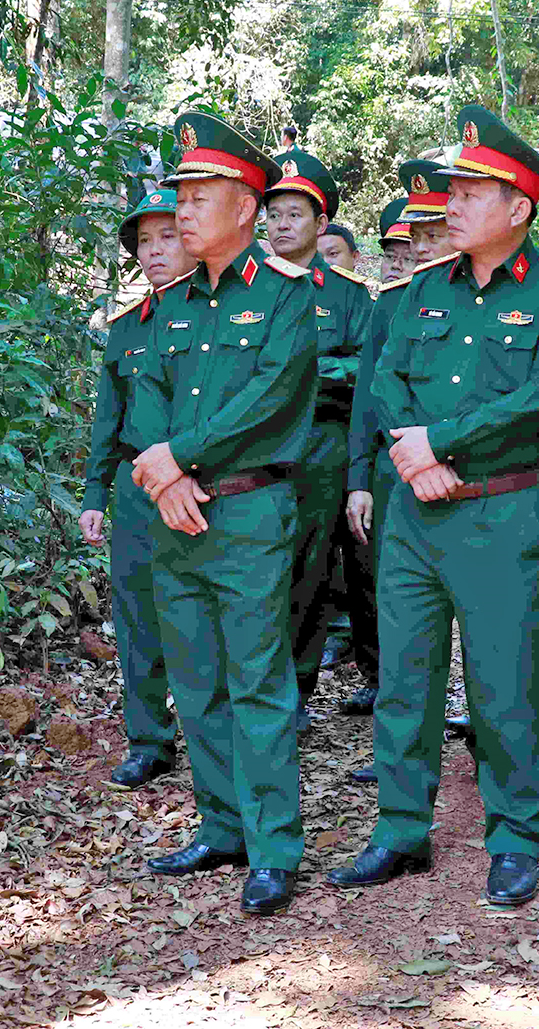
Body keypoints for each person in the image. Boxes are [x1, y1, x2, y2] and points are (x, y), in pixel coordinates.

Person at [328, 107, 539, 906]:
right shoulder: (419, 292)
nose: (452, 204)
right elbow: (385, 376)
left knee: (503, 683)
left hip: (504, 514)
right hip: (417, 516)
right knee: (405, 675)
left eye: (473, 192)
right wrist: (416, 455)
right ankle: (400, 829)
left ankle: (515, 837)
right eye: (454, 190)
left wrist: (437, 442)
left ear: (519, 209)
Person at [132, 112, 320, 917]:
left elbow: (273, 396)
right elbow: (146, 398)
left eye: (200, 197)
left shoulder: (284, 294)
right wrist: (161, 473)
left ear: (247, 207)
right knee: (195, 678)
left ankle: (275, 845)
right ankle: (222, 827)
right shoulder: (168, 304)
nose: (181, 214)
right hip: (174, 516)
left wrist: (183, 457)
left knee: (256, 679)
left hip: (247, 514)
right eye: (180, 198)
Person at [80, 190, 194, 791]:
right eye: (144, 243)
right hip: (134, 490)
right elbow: (108, 418)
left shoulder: (216, 313)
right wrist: (95, 493)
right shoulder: (126, 328)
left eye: (167, 237)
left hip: (198, 485)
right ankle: (149, 740)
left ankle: (213, 740)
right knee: (135, 615)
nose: (153, 252)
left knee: (200, 618)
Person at [265, 150, 374, 735]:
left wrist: (304, 371)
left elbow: (365, 369)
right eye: (275, 213)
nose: (282, 225)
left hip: (320, 449)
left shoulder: (350, 295)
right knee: (261, 574)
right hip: (254, 453)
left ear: (321, 224)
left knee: (309, 572)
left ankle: (296, 692)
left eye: (295, 215)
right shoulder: (245, 287)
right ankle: (256, 688)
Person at [337, 195, 417, 743]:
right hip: (388, 475)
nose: (398, 261)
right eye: (391, 251)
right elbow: (368, 399)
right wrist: (359, 480)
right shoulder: (386, 306)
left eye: (409, 250)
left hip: (450, 474)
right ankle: (397, 732)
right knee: (387, 596)